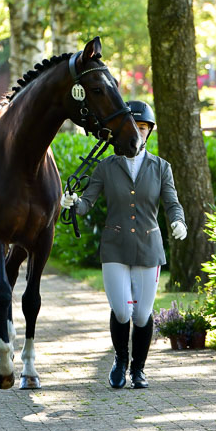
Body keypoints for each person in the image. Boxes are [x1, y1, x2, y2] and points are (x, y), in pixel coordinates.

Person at [60, 100, 187, 389]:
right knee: (121, 311)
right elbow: (86, 203)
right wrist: (72, 202)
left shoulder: (161, 167)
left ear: (149, 132)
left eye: (143, 128)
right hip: (114, 246)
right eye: (134, 128)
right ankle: (120, 361)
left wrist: (179, 222)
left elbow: (172, 203)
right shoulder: (106, 166)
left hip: (148, 246)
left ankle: (139, 369)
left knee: (142, 314)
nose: (138, 133)